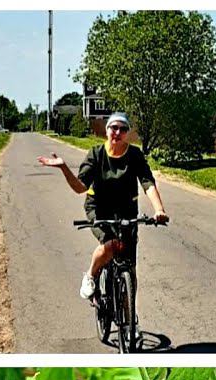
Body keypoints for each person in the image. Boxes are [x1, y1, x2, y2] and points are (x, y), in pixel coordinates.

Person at [37, 112, 170, 300]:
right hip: (99, 209)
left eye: (123, 129)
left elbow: (147, 183)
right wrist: (64, 168)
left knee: (130, 269)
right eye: (113, 128)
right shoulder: (96, 154)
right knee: (111, 245)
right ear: (107, 130)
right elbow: (80, 187)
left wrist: (159, 210)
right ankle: (90, 275)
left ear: (127, 133)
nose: (117, 132)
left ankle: (130, 320)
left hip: (126, 211)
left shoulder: (134, 155)